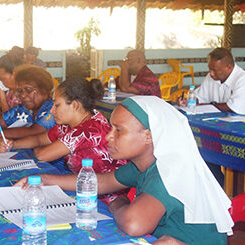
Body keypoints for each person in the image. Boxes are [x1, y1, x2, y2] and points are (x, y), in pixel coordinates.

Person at [15, 96, 233, 245]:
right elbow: (102, 181)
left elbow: (133, 223)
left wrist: (116, 203)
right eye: (111, 128)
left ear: (148, 136)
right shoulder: (143, 164)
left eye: (118, 130)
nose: (108, 136)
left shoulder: (169, 171)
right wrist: (44, 179)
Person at [0, 78, 128, 204]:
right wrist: (12, 144)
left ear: (75, 105)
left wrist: (38, 148)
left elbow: (42, 155)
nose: (52, 110)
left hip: (107, 197)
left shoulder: (89, 129)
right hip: (83, 186)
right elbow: (39, 139)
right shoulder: (67, 125)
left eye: (57, 105)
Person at [180, 47, 245, 115]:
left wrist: (208, 105)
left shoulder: (242, 79)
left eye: (214, 70)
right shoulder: (211, 77)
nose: (211, 73)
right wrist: (188, 101)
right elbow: (199, 97)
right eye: (210, 69)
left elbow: (232, 107)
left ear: (228, 67)